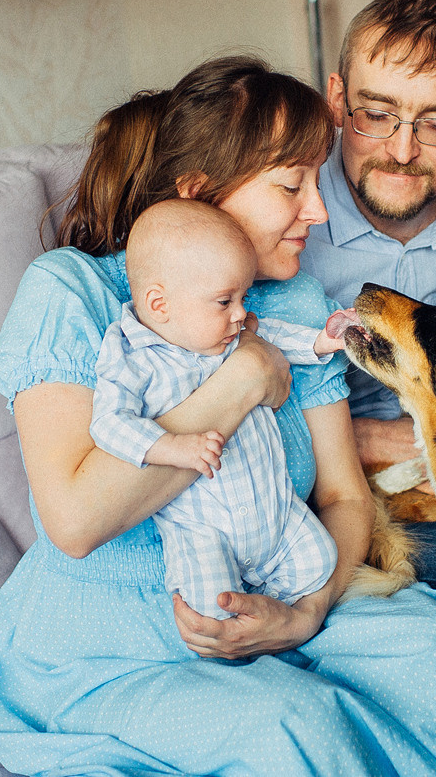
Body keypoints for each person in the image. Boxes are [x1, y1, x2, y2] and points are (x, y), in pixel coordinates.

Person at [0, 55, 436, 776]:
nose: (316, 211)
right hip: (106, 643)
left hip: (277, 594)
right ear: (204, 193)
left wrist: (308, 610)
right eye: (292, 186)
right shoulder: (73, 293)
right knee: (293, 723)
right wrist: (241, 382)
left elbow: (345, 498)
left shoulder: (294, 305)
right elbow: (73, 520)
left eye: (316, 182)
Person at [91, 198, 354, 619]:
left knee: (320, 561)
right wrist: (168, 447)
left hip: (274, 515)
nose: (240, 314)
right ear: (160, 305)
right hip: (204, 531)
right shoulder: (132, 356)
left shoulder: (231, 335)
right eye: (224, 301)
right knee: (213, 605)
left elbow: (279, 339)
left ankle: (273, 609)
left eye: (243, 297)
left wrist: (322, 342)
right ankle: (238, 627)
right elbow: (109, 423)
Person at [299, 0, 436, 462]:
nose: (401, 153)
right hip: (324, 468)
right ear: (337, 100)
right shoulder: (289, 218)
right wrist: (371, 439)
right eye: (376, 116)